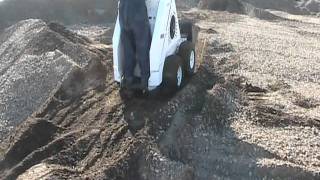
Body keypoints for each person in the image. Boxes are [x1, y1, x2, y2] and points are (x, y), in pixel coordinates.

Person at [119, 0, 151, 90]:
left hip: (123, 13)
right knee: (143, 46)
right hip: (137, 12)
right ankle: (145, 79)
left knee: (128, 49)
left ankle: (128, 77)